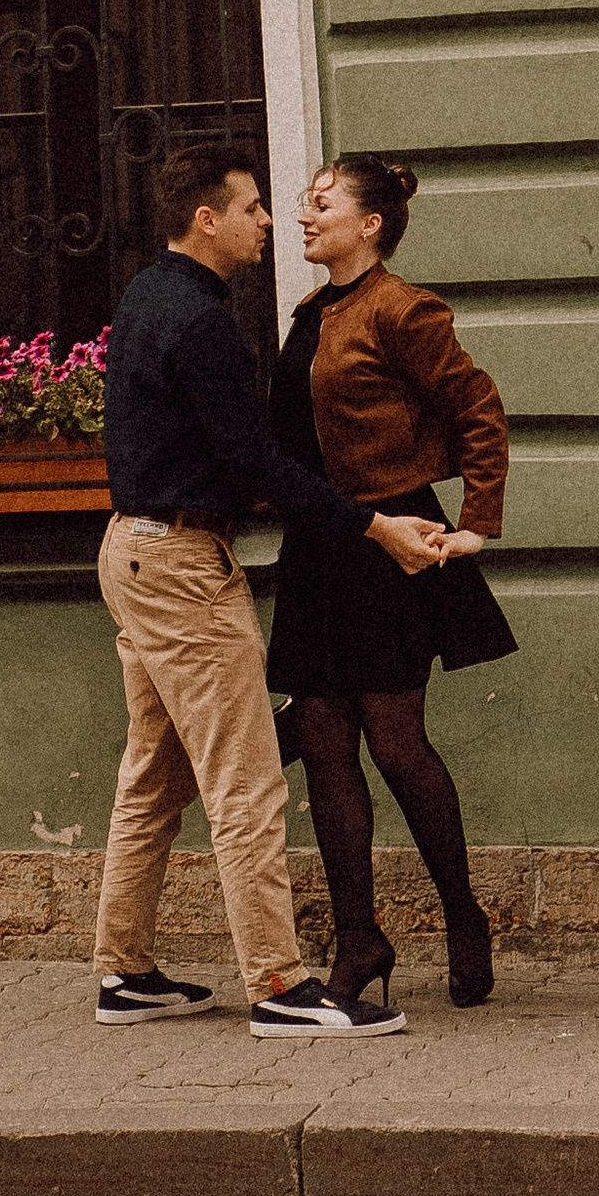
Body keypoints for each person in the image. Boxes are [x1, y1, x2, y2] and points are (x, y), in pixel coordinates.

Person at [90, 142, 447, 1035]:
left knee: (154, 778)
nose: (268, 221)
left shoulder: (147, 295)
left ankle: (125, 973)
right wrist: (374, 524)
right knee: (246, 784)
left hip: (129, 552)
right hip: (179, 565)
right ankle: (281, 987)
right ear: (206, 220)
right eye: (251, 208)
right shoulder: (203, 322)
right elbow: (256, 462)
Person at [269, 154, 515, 1012]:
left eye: (322, 205)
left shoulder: (404, 308)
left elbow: (478, 408)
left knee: (395, 742)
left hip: (390, 541)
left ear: (370, 224)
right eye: (304, 203)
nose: (304, 216)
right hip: (320, 546)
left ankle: (462, 915)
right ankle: (359, 938)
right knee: (326, 745)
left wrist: (477, 520)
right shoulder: (313, 310)